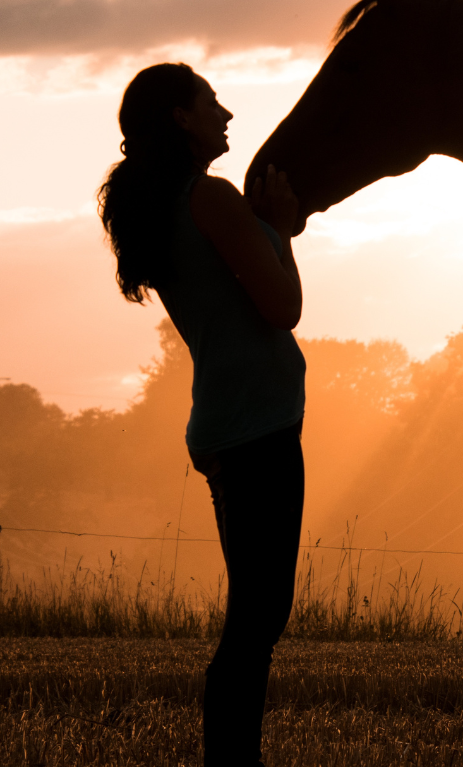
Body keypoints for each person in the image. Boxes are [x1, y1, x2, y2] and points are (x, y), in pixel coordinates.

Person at [98, 62, 310, 767]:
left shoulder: (169, 204)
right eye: (211, 103)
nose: (226, 115)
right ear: (181, 118)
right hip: (257, 431)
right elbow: (282, 308)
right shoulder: (213, 200)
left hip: (232, 427)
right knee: (257, 621)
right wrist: (281, 228)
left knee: (256, 616)